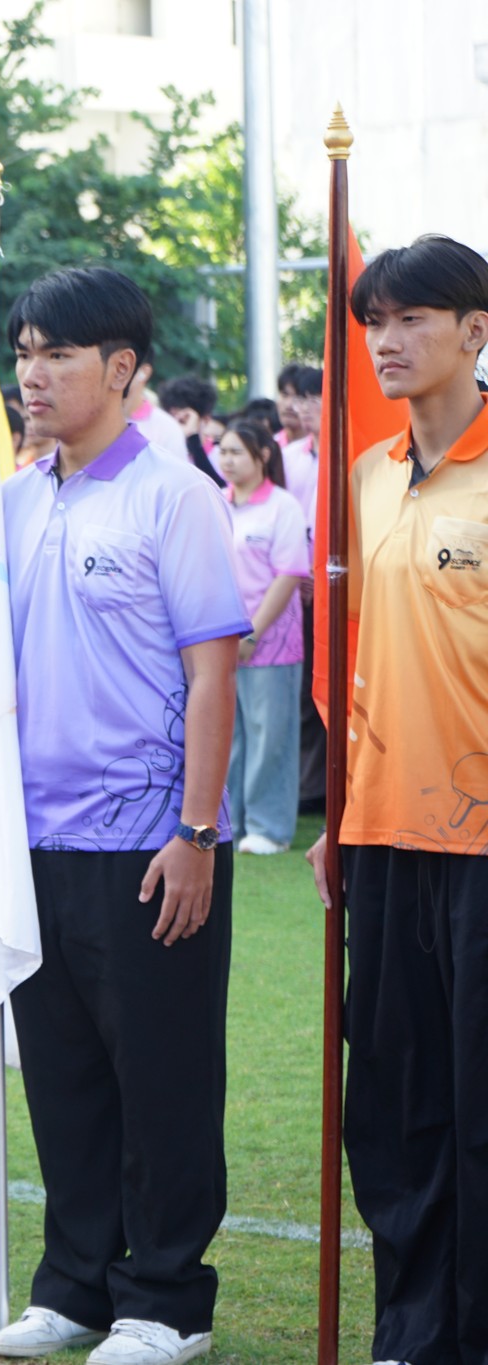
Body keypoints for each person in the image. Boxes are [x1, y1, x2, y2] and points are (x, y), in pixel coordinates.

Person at [0, 267, 245, 1365]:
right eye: (23, 353)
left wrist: (195, 831)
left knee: (163, 1080)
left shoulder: (174, 494)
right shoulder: (12, 500)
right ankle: (76, 1285)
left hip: (149, 844)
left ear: (122, 367)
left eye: (57, 353)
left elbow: (212, 673)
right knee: (64, 1079)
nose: (32, 374)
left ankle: (167, 1301)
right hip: (32, 843)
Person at [305, 234, 488, 1365]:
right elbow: (352, 658)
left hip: (481, 845)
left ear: (474, 330)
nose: (385, 339)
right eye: (374, 319)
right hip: (380, 834)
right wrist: (337, 814)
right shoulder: (366, 478)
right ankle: (412, 1335)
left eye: (413, 317)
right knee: (394, 1101)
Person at [215, 419, 307, 856]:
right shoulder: (216, 502)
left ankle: (269, 827)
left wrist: (252, 632)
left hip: (271, 641)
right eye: (222, 451)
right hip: (221, 640)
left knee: (271, 736)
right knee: (227, 734)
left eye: (236, 452)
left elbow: (289, 574)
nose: (227, 460)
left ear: (263, 456)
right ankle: (230, 822)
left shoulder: (282, 507)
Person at [274, 362, 327, 814]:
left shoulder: (350, 451)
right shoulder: (289, 457)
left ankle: (326, 782)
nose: (303, 408)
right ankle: (306, 784)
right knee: (301, 685)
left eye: (313, 399)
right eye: (299, 399)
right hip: (295, 585)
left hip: (334, 582)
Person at [158, 374, 227, 488]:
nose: (176, 427)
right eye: (171, 419)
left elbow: (219, 490)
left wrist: (192, 437)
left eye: (183, 420)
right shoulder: (161, 453)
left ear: (205, 419)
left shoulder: (222, 455)